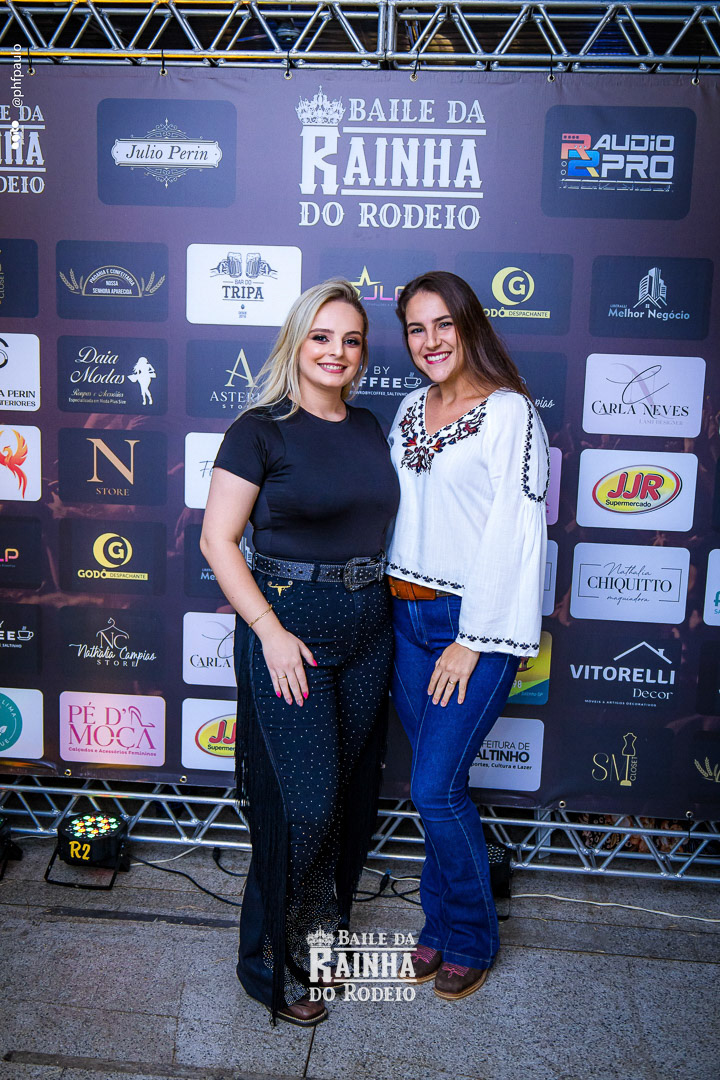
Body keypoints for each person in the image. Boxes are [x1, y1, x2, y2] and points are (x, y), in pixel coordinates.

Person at [200, 279, 399, 1026]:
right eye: (322, 337)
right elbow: (218, 540)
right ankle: (268, 961)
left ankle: (319, 943)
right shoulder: (258, 431)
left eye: (351, 340)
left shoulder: (370, 426)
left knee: (344, 803)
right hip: (290, 634)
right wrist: (270, 631)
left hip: (369, 628)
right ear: (296, 342)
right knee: (304, 807)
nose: (336, 352)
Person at [387, 271, 549, 1000]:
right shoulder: (407, 408)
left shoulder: (509, 412)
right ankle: (437, 926)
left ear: (470, 325)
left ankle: (473, 938)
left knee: (434, 788)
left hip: (467, 626)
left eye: (443, 324)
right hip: (403, 616)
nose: (430, 341)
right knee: (437, 788)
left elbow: (514, 534)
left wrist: (474, 638)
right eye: (416, 329)